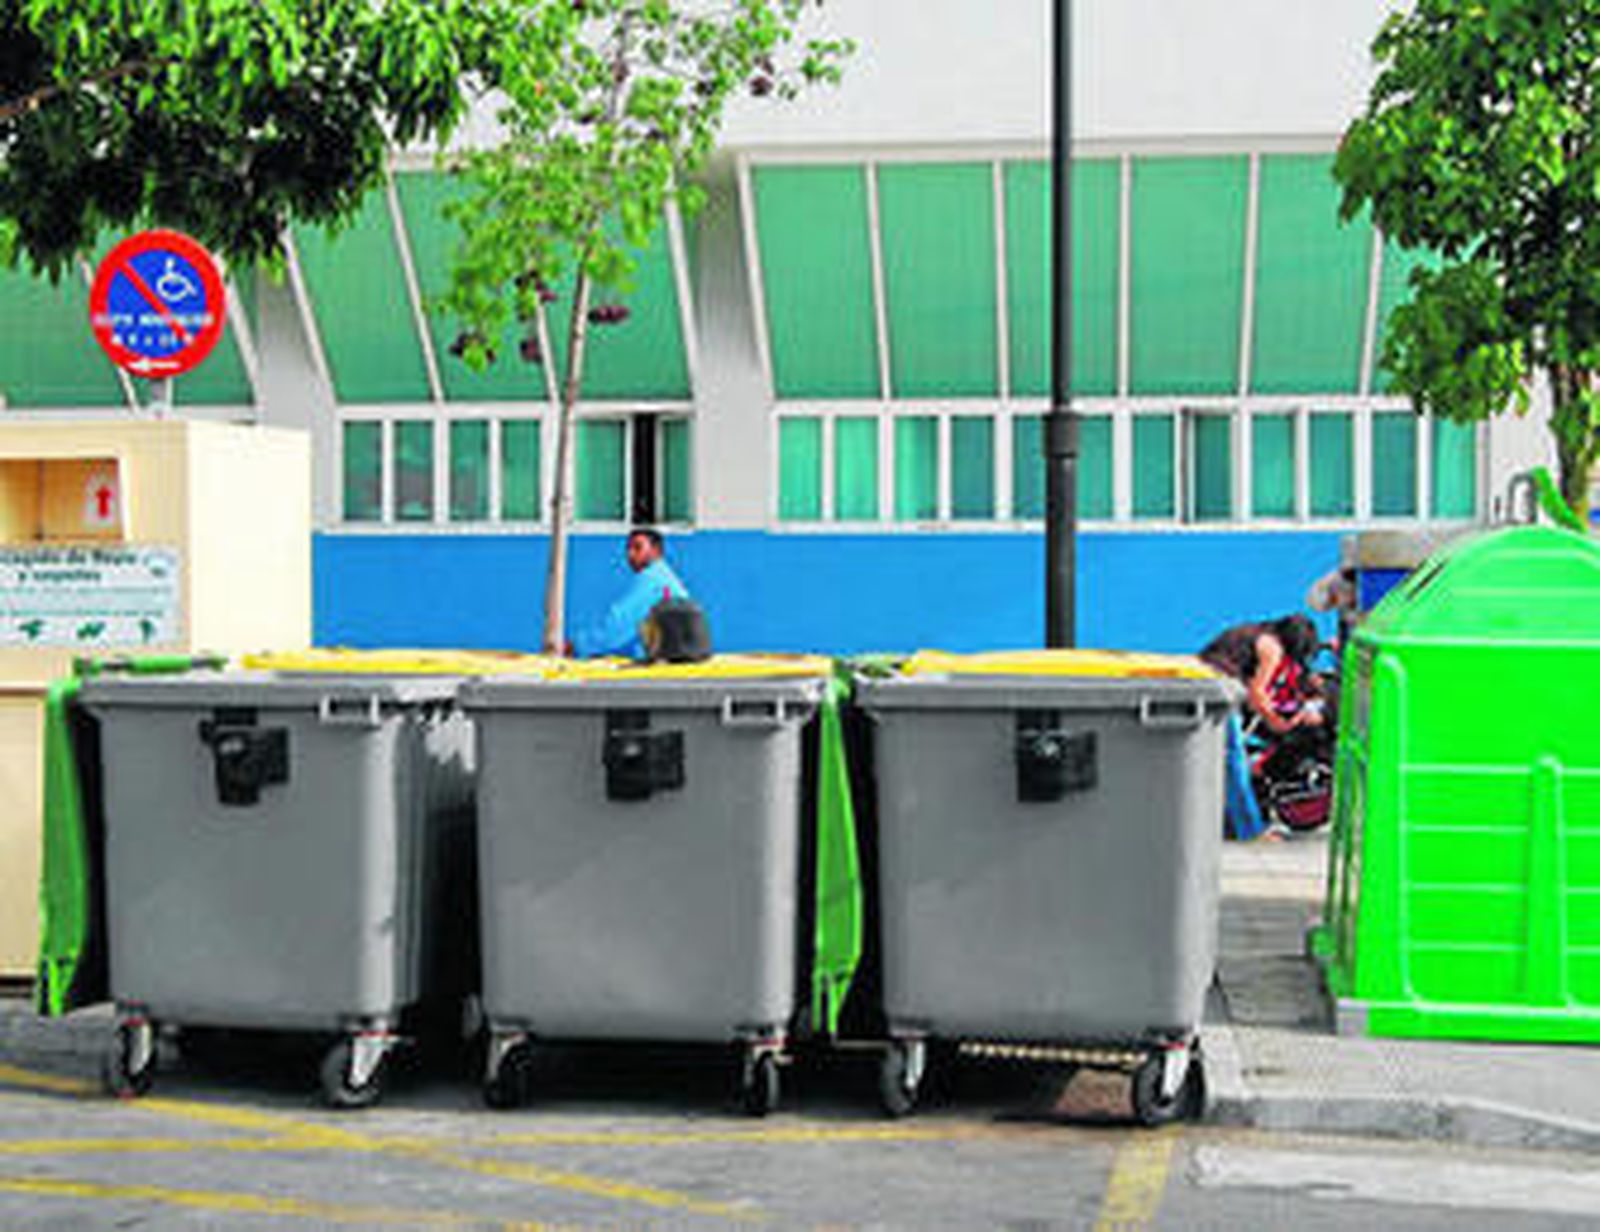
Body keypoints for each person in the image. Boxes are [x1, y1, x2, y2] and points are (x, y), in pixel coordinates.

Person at [1200, 614, 1326, 841]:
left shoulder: (1255, 633)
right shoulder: (1271, 648)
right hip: (1219, 692)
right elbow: (1257, 694)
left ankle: (1232, 822)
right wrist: (1277, 723)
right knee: (1234, 761)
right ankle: (1251, 830)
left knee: (1225, 760)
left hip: (1206, 685)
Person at [568, 527, 691, 659]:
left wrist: (577, 646)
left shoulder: (652, 580)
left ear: (656, 551)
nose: (630, 554)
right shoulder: (665, 576)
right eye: (628, 548)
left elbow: (616, 628)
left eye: (638, 548)